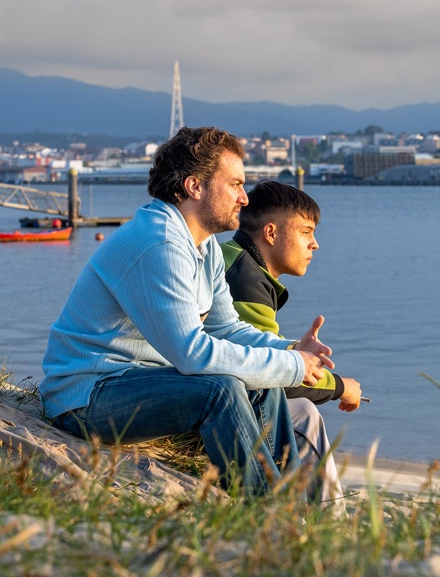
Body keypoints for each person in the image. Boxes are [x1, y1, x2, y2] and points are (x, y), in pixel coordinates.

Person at [40, 127, 334, 495]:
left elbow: (227, 328)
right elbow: (193, 355)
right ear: (195, 187)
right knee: (220, 390)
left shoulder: (203, 244)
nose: (244, 198)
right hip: (87, 396)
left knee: (266, 380)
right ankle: (268, 513)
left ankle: (291, 505)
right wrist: (293, 367)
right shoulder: (160, 242)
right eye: (235, 184)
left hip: (139, 383)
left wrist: (291, 353)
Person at [220, 180, 363, 503]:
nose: (315, 245)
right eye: (306, 232)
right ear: (271, 233)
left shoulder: (234, 259)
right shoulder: (245, 278)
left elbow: (245, 346)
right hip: (204, 400)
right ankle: (330, 524)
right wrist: (340, 387)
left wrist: (291, 350)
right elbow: (264, 376)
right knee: (303, 413)